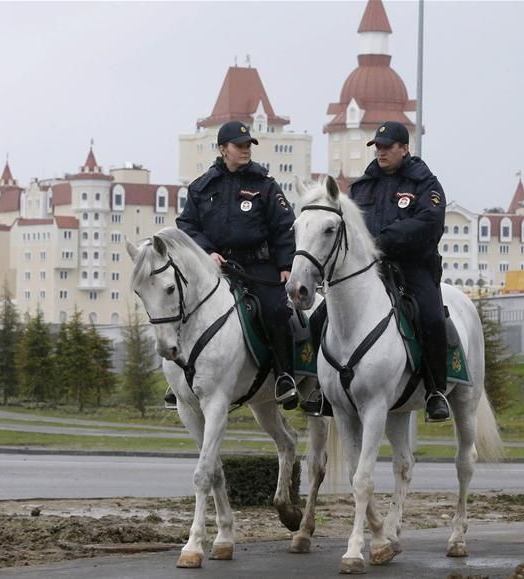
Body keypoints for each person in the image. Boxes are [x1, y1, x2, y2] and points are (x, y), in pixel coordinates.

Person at [303, 121, 451, 422]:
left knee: (431, 317)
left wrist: (384, 240)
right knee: (319, 319)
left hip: (413, 266)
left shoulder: (425, 184)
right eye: (378, 147)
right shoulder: (361, 186)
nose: (381, 152)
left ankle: (435, 390)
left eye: (388, 146)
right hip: (370, 270)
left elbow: (428, 223)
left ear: (404, 148)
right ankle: (324, 389)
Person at [176, 120, 298, 407]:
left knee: (276, 310)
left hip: (257, 267)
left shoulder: (265, 186)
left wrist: (286, 265)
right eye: (239, 146)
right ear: (222, 149)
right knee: (180, 307)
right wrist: (206, 251)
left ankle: (285, 377)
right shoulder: (201, 187)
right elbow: (186, 224)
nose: (245, 151)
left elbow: (285, 227)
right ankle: (180, 380)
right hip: (215, 267)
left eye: (248, 146)